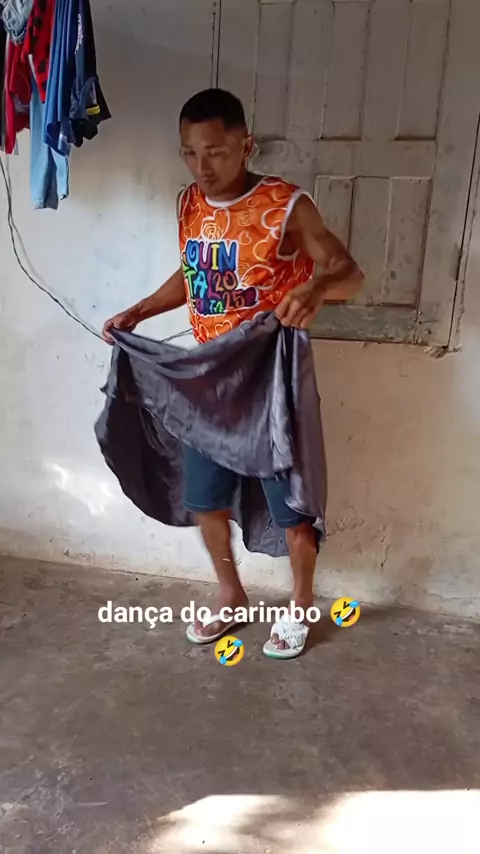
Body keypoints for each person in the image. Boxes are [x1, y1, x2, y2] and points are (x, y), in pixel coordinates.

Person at [102, 89, 364, 658]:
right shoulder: (189, 203)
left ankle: (301, 603)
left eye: (216, 152)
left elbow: (349, 270)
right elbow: (194, 271)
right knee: (204, 500)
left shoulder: (285, 205)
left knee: (292, 506)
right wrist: (140, 311)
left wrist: (318, 287)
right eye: (190, 153)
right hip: (209, 381)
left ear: (246, 145)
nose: (203, 167)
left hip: (270, 381)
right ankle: (231, 594)